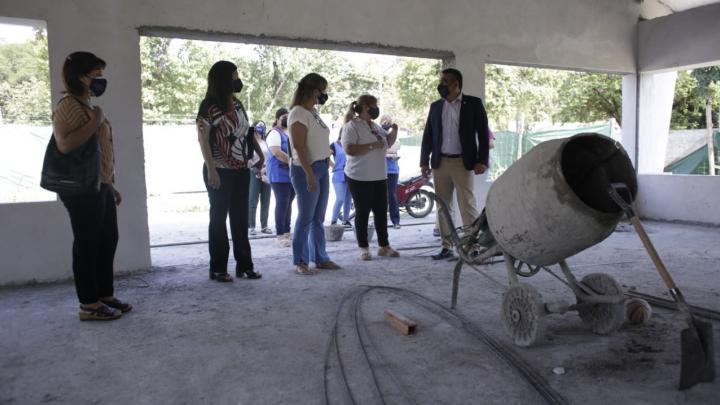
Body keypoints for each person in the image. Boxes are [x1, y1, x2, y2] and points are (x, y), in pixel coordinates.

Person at [53, 51, 131, 320]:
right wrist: (96, 120)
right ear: (80, 76)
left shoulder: (86, 105)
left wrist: (110, 185)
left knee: (107, 239)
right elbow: (64, 144)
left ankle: (104, 295)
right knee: (87, 243)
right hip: (81, 188)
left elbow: (101, 150)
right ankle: (88, 304)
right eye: (96, 75)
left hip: (100, 185)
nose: (101, 81)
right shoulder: (69, 105)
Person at [196, 60, 263, 282]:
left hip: (241, 169)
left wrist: (259, 155)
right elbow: (203, 139)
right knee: (218, 219)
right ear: (224, 78)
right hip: (219, 169)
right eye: (235, 75)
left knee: (240, 219)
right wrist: (212, 169)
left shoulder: (237, 103)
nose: (238, 79)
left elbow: (246, 132)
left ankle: (245, 265)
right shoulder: (209, 106)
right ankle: (218, 268)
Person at [420, 68, 490, 260]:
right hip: (440, 163)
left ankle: (472, 245)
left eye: (445, 81)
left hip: (463, 162)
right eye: (441, 80)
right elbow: (428, 135)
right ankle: (447, 246)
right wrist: (424, 161)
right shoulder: (436, 106)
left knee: (467, 204)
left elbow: (483, 134)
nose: (441, 84)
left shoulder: (473, 104)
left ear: (455, 83)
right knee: (443, 206)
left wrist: (482, 160)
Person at [287, 73, 341, 275]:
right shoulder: (298, 113)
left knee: (318, 217)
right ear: (312, 90)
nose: (323, 94)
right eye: (322, 90)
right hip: (305, 169)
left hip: (322, 167)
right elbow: (299, 146)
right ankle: (301, 261)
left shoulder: (313, 112)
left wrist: (328, 161)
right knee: (306, 217)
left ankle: (320, 257)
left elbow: (318, 141)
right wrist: (309, 174)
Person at [341, 95, 400, 261]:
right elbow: (349, 149)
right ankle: (363, 248)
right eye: (374, 105)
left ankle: (384, 246)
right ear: (366, 107)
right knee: (363, 212)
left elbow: (387, 143)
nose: (376, 109)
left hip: (379, 175)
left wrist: (394, 131)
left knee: (381, 212)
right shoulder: (351, 126)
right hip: (359, 176)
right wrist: (373, 145)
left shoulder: (374, 126)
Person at [266, 107, 295, 247]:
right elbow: (277, 153)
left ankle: (287, 232)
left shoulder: (289, 133)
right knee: (282, 203)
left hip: (291, 174)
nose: (287, 118)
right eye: (284, 116)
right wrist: (294, 161)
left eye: (288, 116)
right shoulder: (274, 133)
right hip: (278, 174)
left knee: (288, 203)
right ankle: (280, 235)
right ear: (277, 119)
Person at [248, 120, 273, 236]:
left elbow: (271, 158)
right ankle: (251, 226)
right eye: (259, 126)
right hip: (254, 172)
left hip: (267, 172)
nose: (261, 129)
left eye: (263, 126)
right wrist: (257, 170)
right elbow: (248, 159)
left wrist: (265, 170)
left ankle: (264, 226)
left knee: (266, 200)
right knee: (253, 200)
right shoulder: (250, 142)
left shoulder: (266, 142)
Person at [381, 115, 401, 229]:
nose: (386, 124)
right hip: (380, 171)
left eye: (388, 122)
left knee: (392, 195)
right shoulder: (379, 134)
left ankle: (396, 221)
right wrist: (388, 153)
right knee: (381, 196)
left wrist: (386, 152)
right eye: (384, 122)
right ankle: (381, 222)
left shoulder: (395, 137)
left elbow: (394, 147)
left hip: (392, 171)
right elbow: (382, 149)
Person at [329, 130, 352, 228]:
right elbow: (325, 155)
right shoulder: (334, 145)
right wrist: (333, 165)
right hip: (339, 174)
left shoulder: (351, 145)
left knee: (348, 199)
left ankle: (346, 220)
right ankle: (334, 220)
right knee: (340, 198)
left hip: (351, 174)